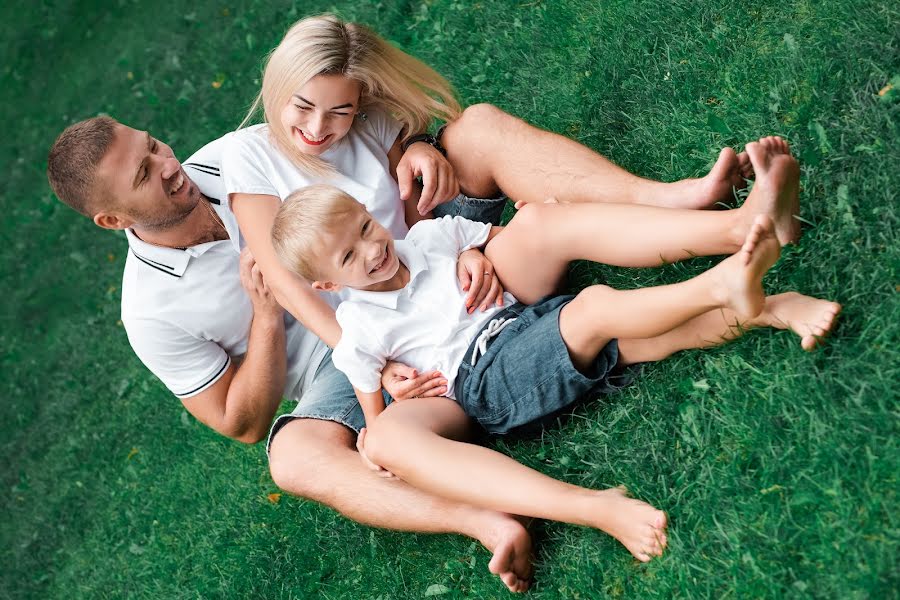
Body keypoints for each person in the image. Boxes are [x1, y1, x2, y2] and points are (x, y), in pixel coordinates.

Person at [268, 141, 839, 563]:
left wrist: (476, 254)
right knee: (595, 310)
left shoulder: (425, 240)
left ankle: (760, 265)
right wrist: (379, 432)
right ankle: (720, 286)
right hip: (485, 379)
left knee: (647, 332)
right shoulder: (361, 329)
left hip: (525, 320)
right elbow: (376, 424)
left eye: (367, 228)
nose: (371, 251)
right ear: (325, 286)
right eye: (347, 259)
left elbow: (498, 243)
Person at [222, 14, 799, 355]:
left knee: (478, 127)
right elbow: (286, 279)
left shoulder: (370, 119)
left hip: (445, 250)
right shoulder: (250, 158)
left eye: (340, 112)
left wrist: (422, 150)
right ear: (279, 88)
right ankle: (741, 232)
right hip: (403, 312)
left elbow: (411, 178)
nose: (320, 129)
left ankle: (684, 199)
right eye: (304, 108)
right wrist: (366, 355)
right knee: (543, 226)